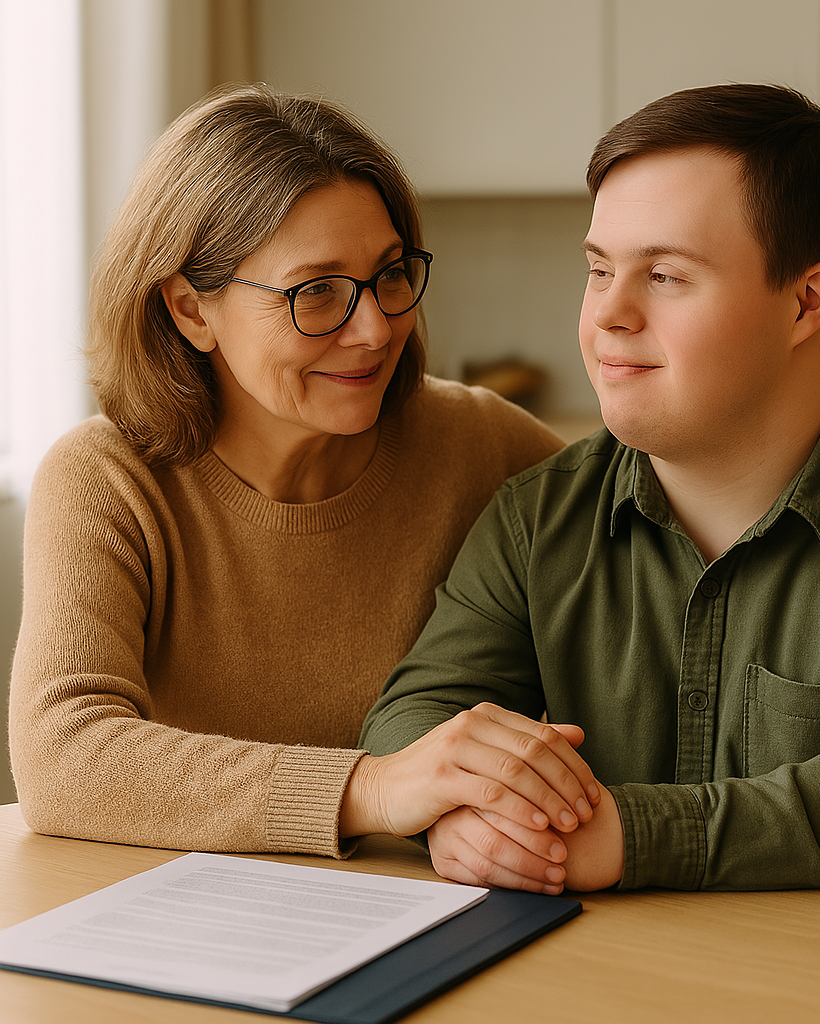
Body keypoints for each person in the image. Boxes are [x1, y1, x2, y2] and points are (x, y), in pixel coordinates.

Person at [360, 83, 820, 955]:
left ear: (806, 302)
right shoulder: (536, 515)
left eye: (665, 275)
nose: (608, 315)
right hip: (630, 984)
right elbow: (418, 716)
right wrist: (458, 814)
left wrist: (625, 837)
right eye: (598, 269)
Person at [8, 83, 603, 859]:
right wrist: (374, 788)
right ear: (191, 310)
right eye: (316, 292)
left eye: (390, 274)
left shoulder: (485, 445)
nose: (375, 327)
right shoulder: (106, 479)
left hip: (429, 913)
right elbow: (62, 758)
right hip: (179, 923)